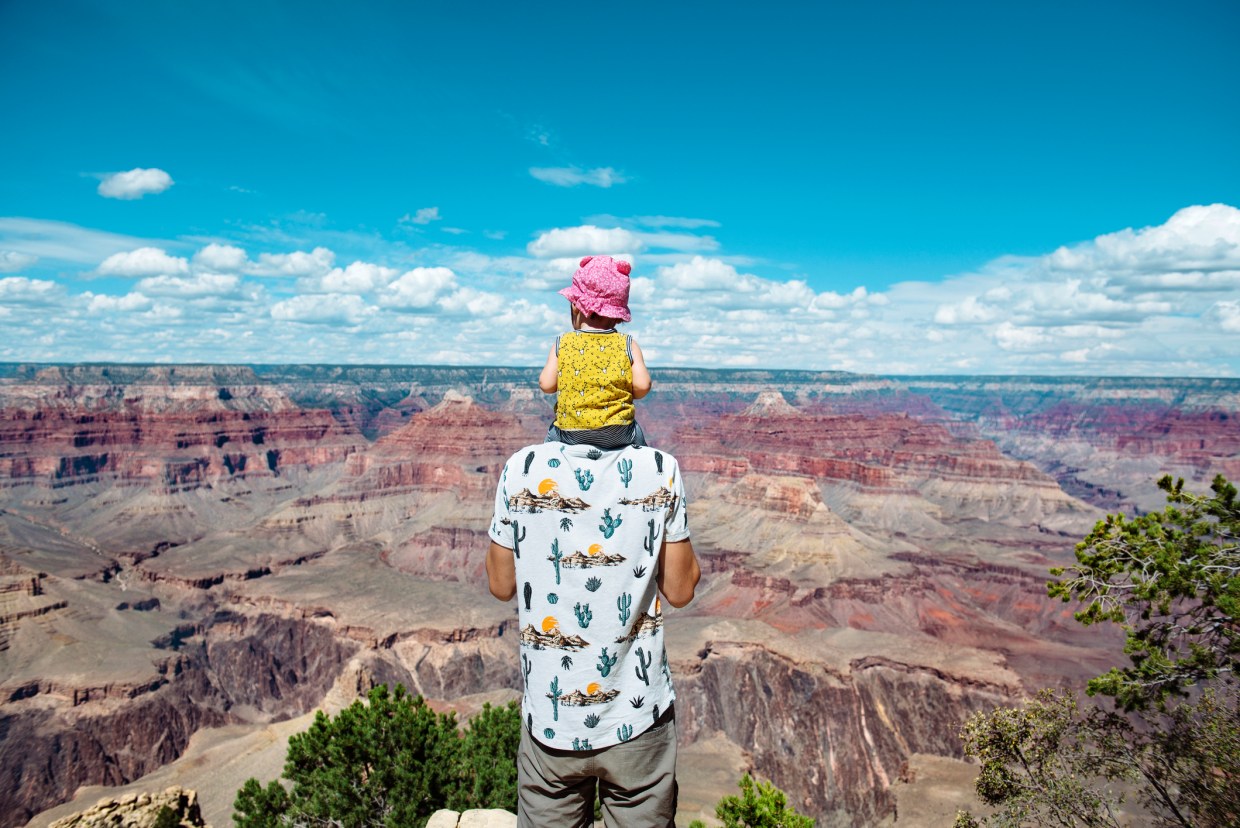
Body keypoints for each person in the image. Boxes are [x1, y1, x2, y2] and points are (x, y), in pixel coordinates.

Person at [486, 440, 701, 827]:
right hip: (637, 719)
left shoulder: (521, 467)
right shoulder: (659, 468)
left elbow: (501, 585)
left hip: (552, 725)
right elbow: (682, 591)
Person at [539, 255, 652, 450]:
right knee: (640, 440)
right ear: (618, 315)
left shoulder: (562, 342)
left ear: (575, 305)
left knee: (549, 441)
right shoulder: (628, 343)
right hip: (619, 433)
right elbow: (643, 385)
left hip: (568, 433)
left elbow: (547, 385)